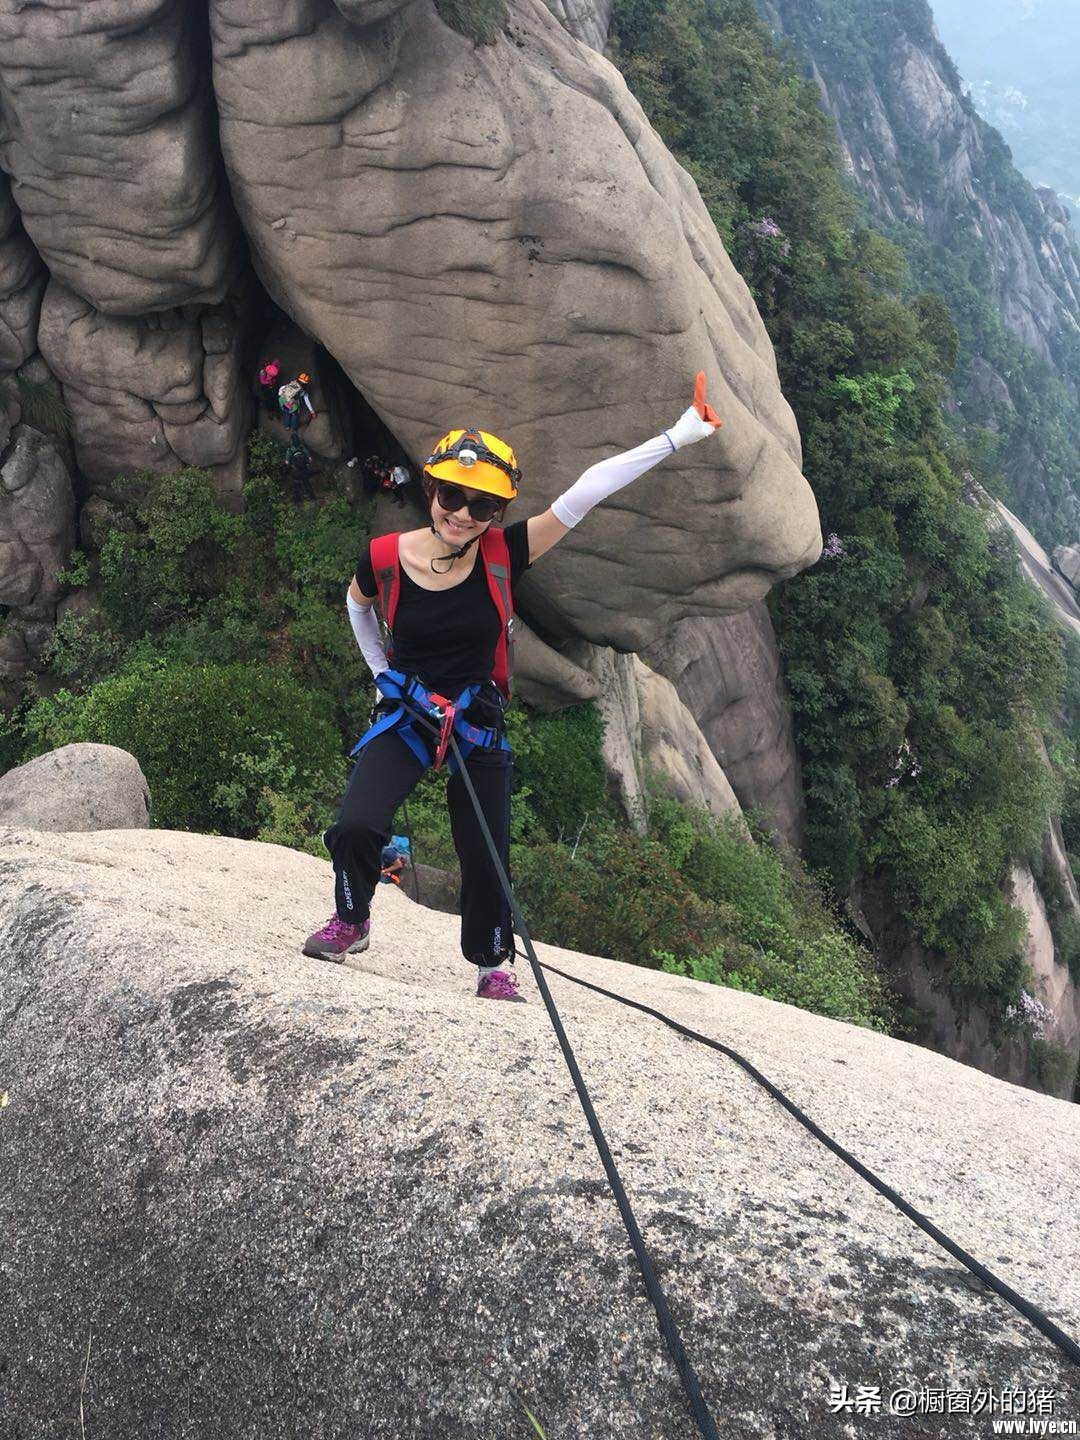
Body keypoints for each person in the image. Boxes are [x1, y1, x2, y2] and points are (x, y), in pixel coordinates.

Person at [302, 374, 723, 1001]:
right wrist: (380, 676)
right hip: (410, 713)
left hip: (477, 720)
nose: (464, 514)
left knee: (486, 854)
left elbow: (588, 490)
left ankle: (492, 963)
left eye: (484, 506)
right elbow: (357, 607)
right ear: (430, 489)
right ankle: (353, 918)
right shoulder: (386, 555)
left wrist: (680, 435)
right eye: (452, 495)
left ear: (498, 513)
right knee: (359, 824)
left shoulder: (506, 552)